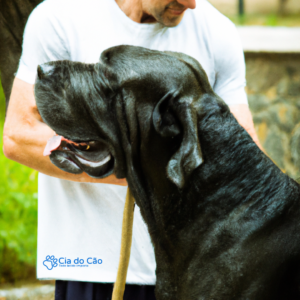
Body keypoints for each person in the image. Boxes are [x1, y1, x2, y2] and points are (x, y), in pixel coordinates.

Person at [3, 0, 262, 299]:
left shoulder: (217, 31)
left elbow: (244, 155)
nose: (191, 4)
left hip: (192, 274)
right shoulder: (60, 16)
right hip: (89, 267)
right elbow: (19, 135)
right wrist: (139, 171)